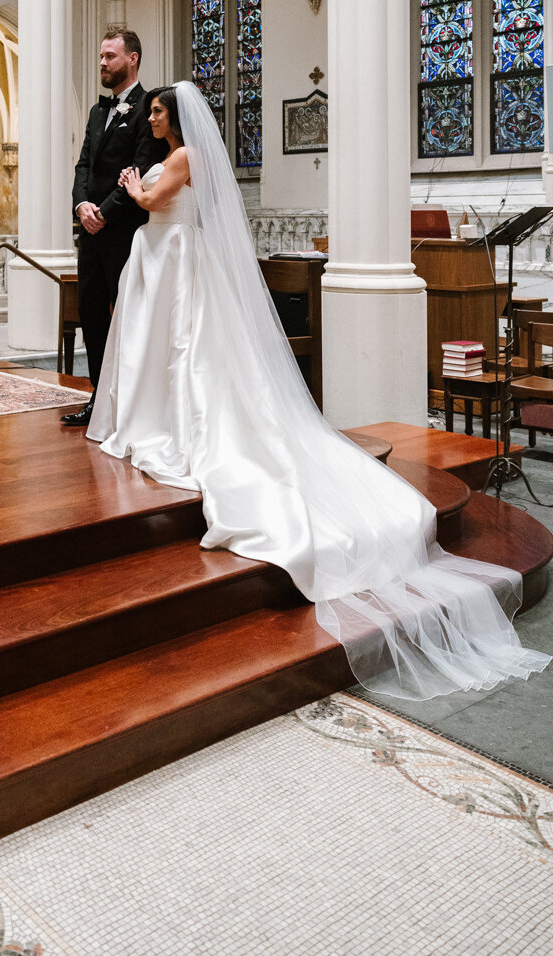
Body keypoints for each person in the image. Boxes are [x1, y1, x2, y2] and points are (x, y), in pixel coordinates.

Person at [88, 81, 550, 700]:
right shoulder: (176, 153)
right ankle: (159, 415)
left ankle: (174, 426)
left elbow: (153, 200)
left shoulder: (182, 157)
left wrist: (129, 188)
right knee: (179, 356)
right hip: (167, 259)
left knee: (188, 358)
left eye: (157, 110)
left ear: (176, 117)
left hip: (172, 258)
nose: (151, 116)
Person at [63, 26, 155, 427]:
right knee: (93, 317)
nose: (102, 63)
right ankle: (98, 401)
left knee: (131, 319)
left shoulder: (147, 109)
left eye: (110, 56)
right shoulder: (98, 111)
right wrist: (82, 205)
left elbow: (141, 167)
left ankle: (133, 405)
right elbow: (84, 164)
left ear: (131, 59)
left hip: (126, 234)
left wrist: (103, 212)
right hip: (91, 236)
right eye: (101, 56)